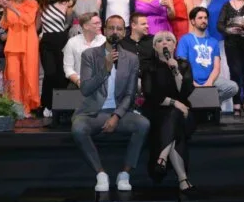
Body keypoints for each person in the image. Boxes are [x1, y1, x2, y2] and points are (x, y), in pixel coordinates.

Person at [70, 15, 150, 192]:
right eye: (111, 28)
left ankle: (125, 173)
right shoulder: (90, 55)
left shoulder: (131, 58)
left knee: (143, 124)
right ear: (104, 31)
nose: (115, 32)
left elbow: (130, 94)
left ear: (124, 33)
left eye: (119, 29)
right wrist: (105, 69)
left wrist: (116, 116)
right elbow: (85, 89)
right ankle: (100, 173)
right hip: (93, 112)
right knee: (78, 128)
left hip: (119, 113)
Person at [142, 31, 196, 191]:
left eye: (168, 40)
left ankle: (162, 158)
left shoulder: (183, 64)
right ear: (154, 47)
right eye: (159, 41)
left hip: (183, 112)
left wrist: (176, 71)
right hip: (157, 111)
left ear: (174, 45)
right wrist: (175, 103)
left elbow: (185, 92)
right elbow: (150, 94)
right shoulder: (149, 66)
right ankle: (183, 179)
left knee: (175, 115)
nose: (164, 43)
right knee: (174, 120)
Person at [176, 7, 238, 106]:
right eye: (200, 18)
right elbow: (181, 66)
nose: (203, 20)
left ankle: (208, 103)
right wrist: (193, 83)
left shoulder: (213, 42)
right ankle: (203, 103)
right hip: (190, 82)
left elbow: (216, 67)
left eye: (205, 18)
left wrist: (209, 82)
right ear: (192, 21)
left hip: (209, 81)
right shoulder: (185, 39)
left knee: (232, 87)